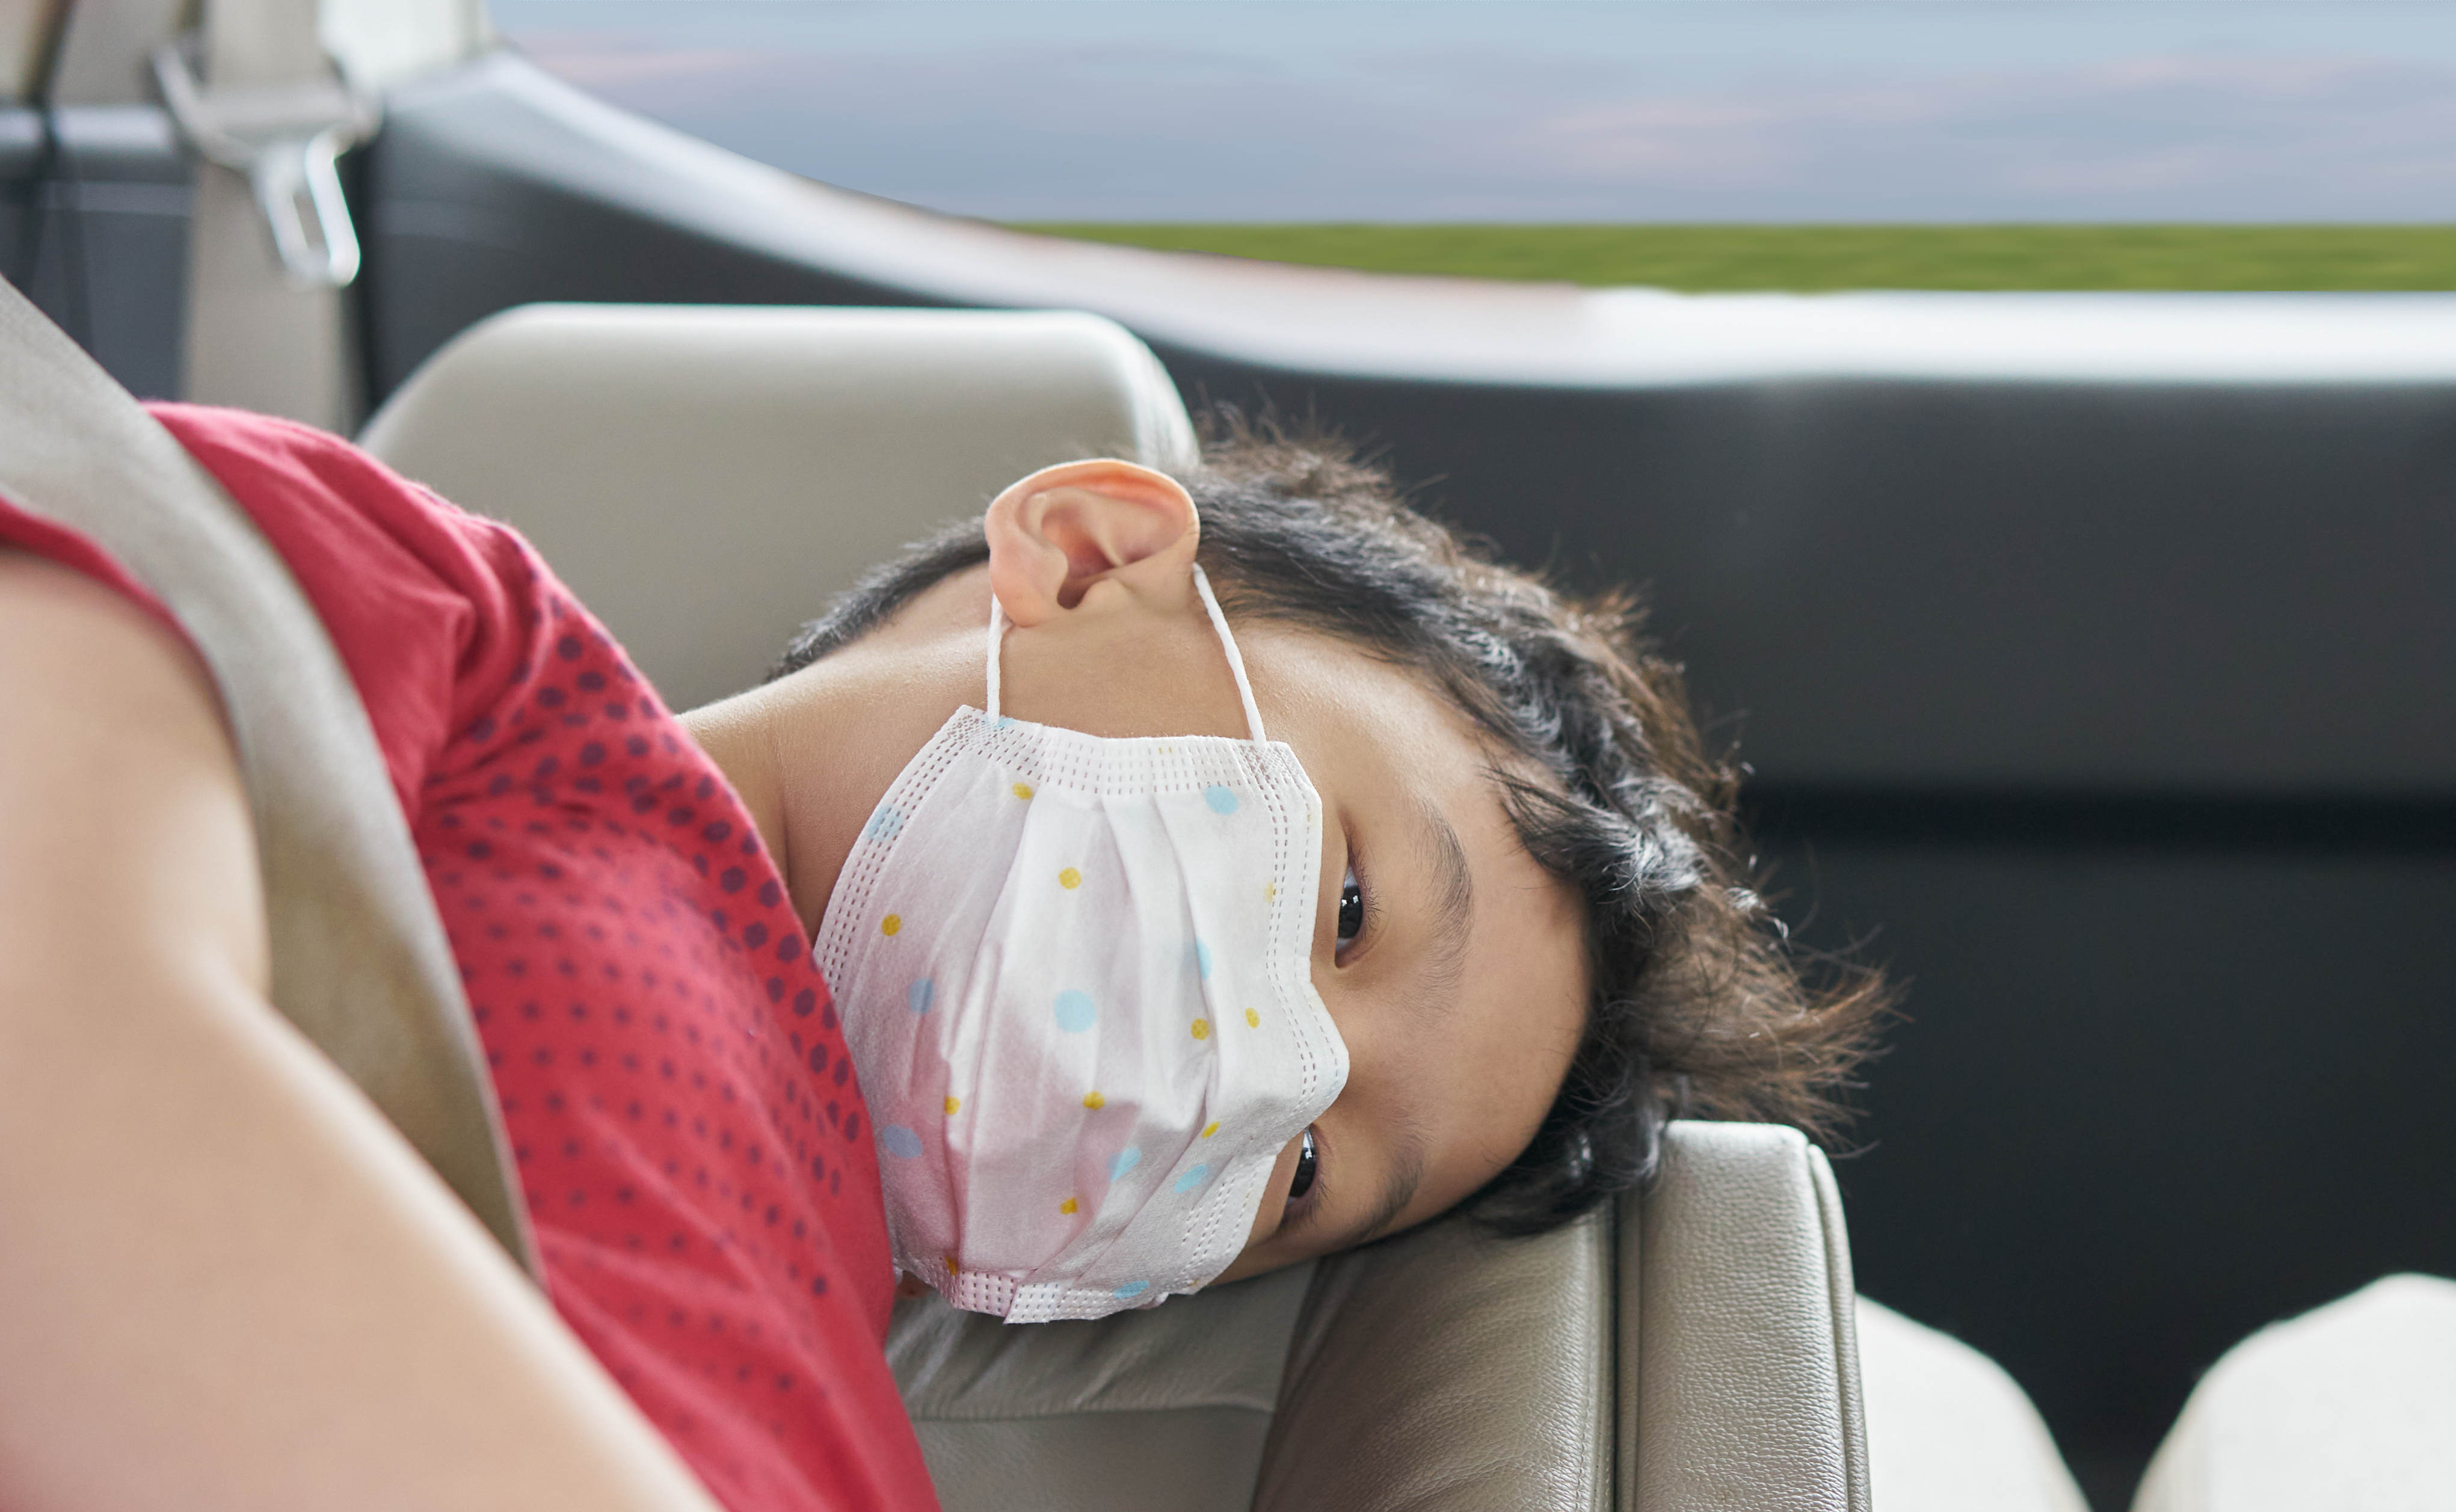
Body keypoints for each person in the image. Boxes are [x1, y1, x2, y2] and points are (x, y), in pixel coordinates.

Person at [0, 403, 1882, 1511]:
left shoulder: (842, 1428)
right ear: (1080, 558)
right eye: (1348, 913)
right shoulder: (462, 649)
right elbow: (45, 1026)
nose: (1275, 1072)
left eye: (1309, 1174)